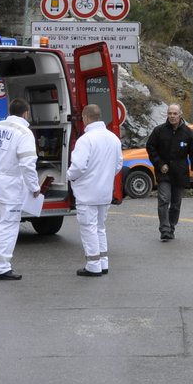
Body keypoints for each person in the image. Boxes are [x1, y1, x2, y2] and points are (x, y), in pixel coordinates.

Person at [0, 96, 41, 280]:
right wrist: (34, 187)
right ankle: (2, 267)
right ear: (26, 113)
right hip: (10, 185)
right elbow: (28, 164)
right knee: (8, 225)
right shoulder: (24, 133)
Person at [68, 104, 122, 277]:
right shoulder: (113, 138)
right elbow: (118, 164)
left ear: (85, 118)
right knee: (100, 227)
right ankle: (103, 263)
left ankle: (93, 265)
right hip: (105, 192)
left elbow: (77, 167)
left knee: (88, 228)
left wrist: (69, 176)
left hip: (87, 193)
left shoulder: (86, 139)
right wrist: (105, 176)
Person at [144, 104, 193, 241]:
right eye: (170, 113)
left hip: (180, 174)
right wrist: (159, 164)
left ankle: (171, 227)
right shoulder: (159, 131)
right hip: (164, 172)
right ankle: (164, 229)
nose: (172, 116)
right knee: (164, 199)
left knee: (176, 204)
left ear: (180, 114)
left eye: (175, 113)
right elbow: (150, 148)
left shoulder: (188, 134)